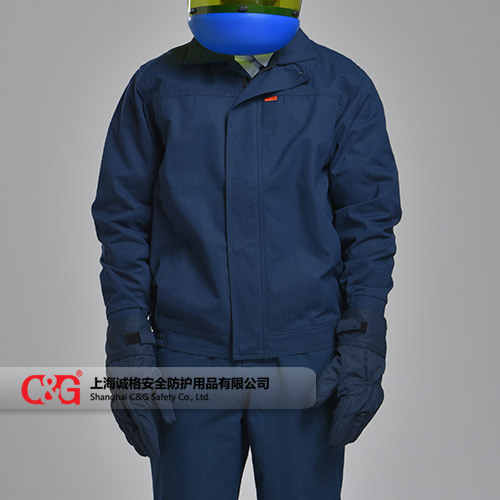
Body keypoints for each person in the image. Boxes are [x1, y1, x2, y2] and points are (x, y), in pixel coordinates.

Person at [92, 2, 401, 498]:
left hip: (305, 360)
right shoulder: (157, 86)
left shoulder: (341, 87)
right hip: (190, 357)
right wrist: (129, 343)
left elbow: (368, 225)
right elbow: (122, 221)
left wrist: (364, 341)